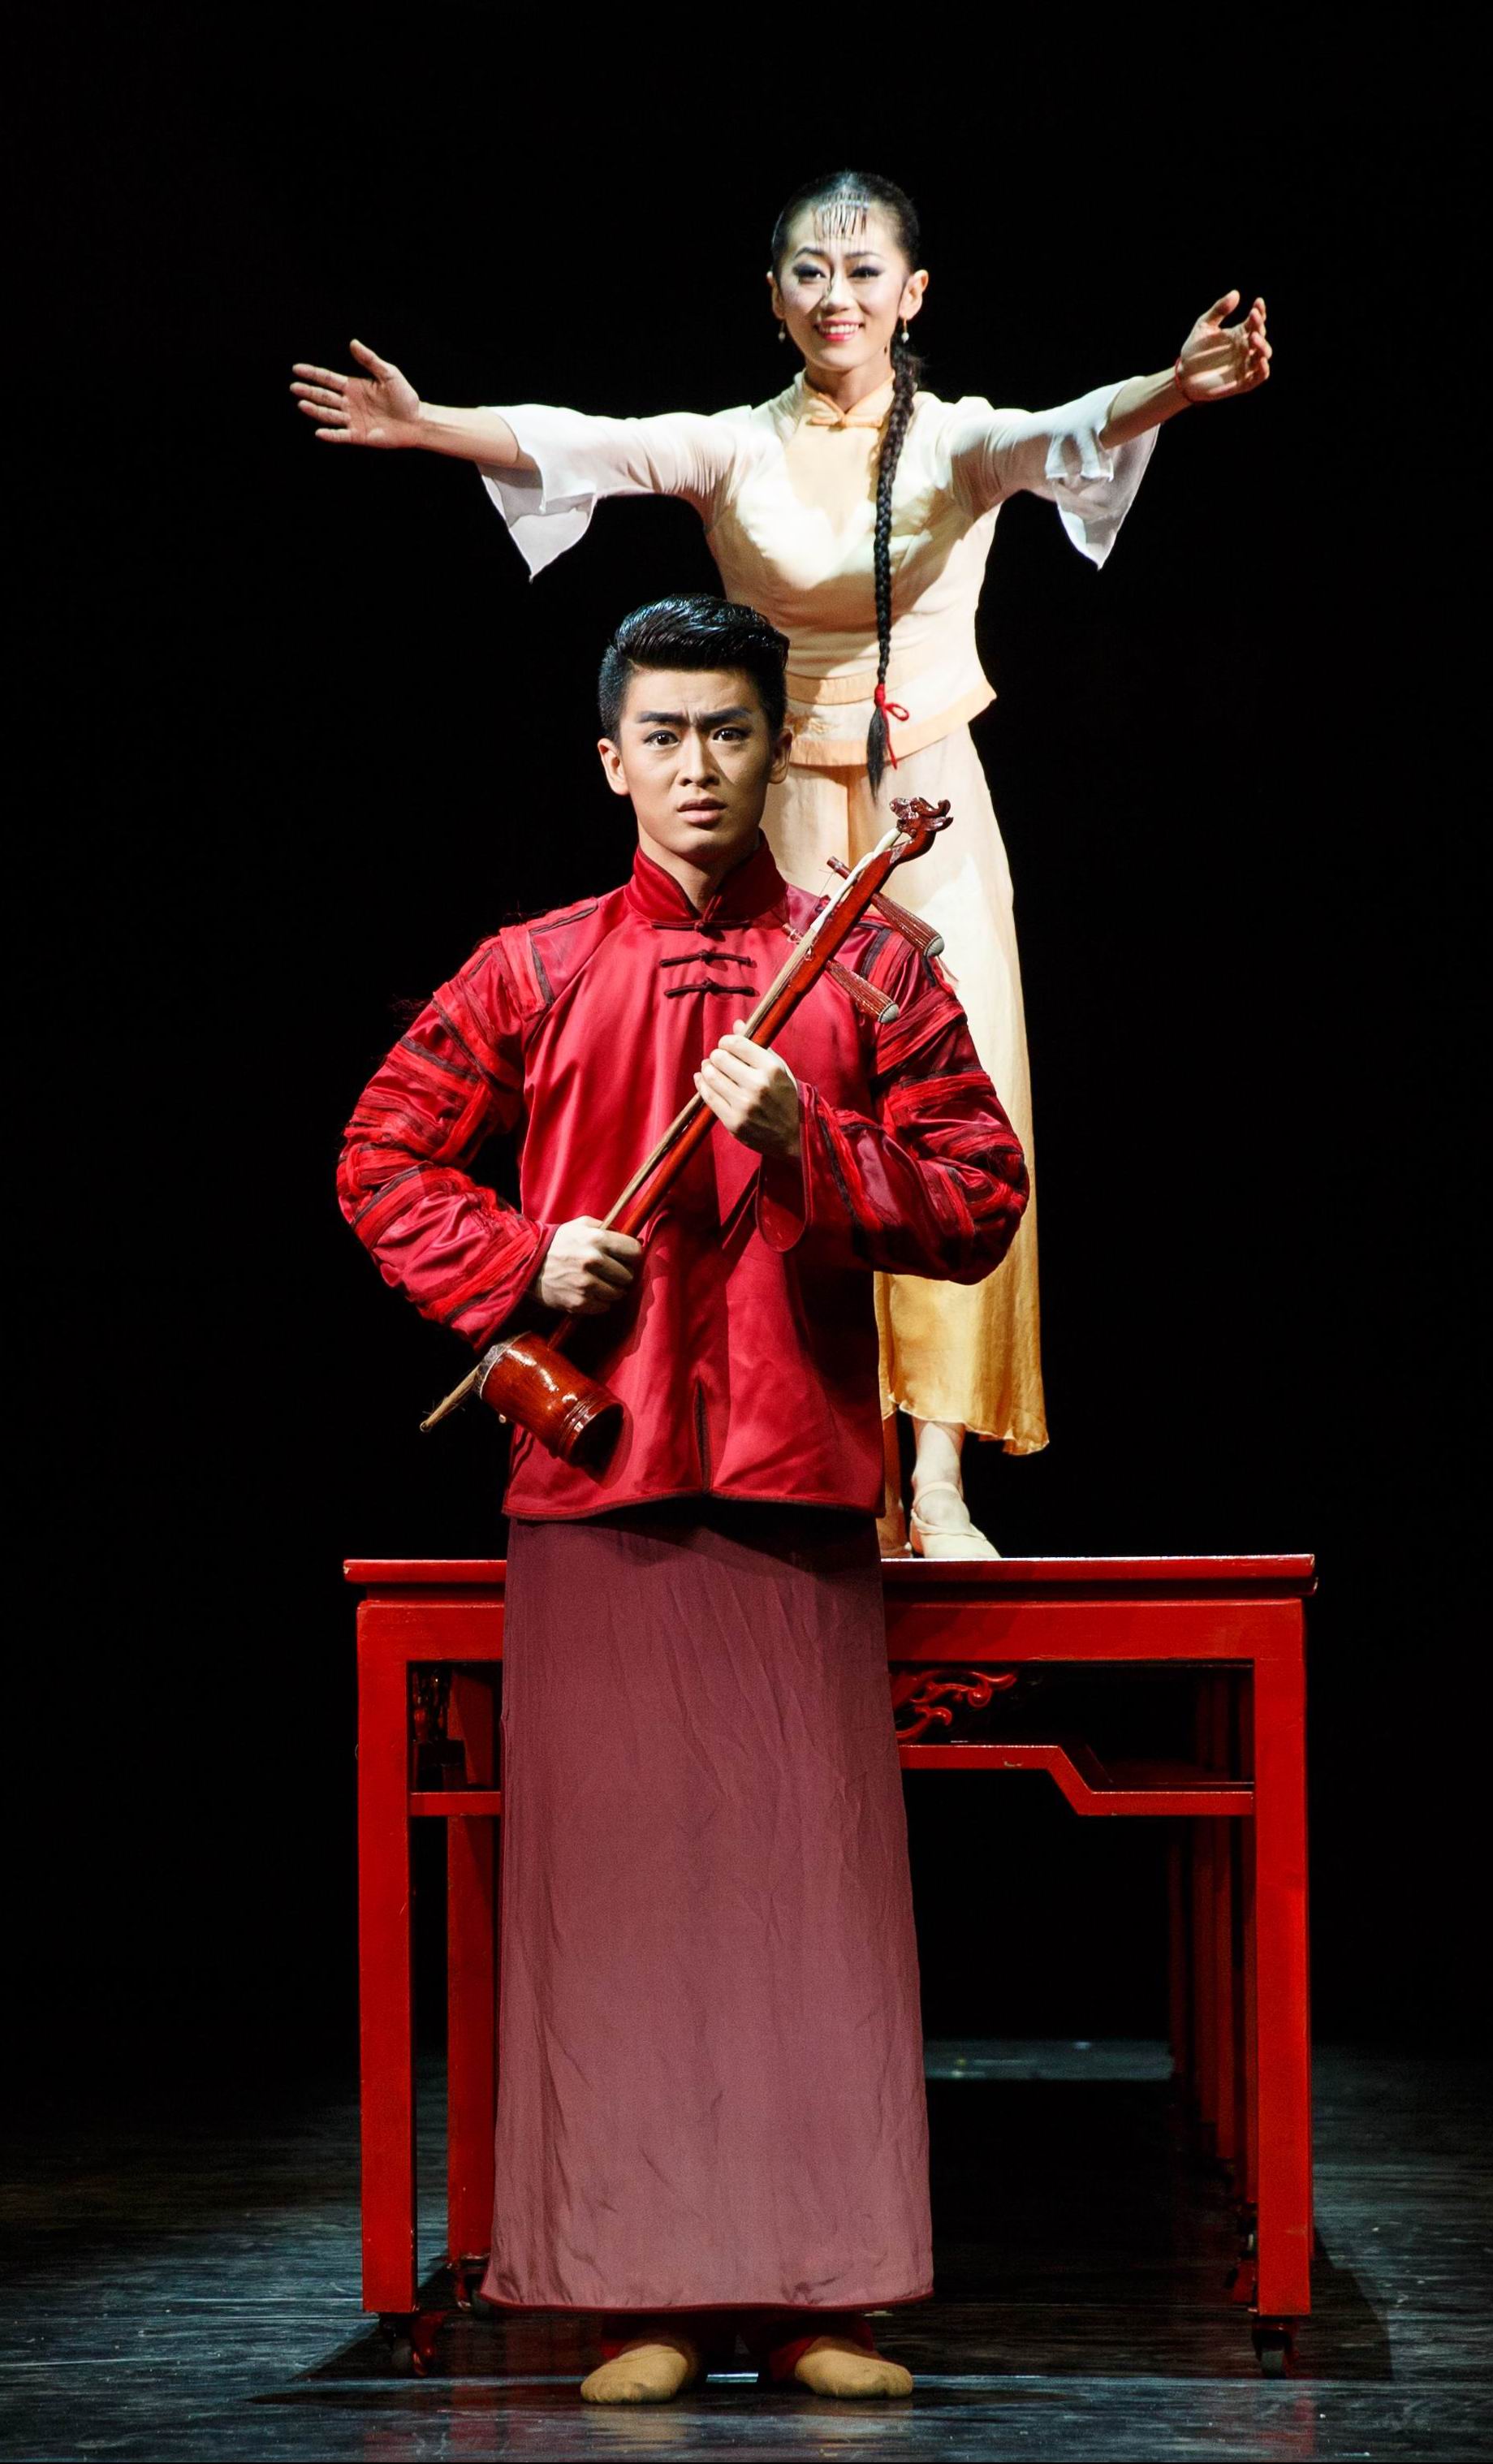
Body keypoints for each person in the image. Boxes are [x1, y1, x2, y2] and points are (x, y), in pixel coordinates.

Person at [300, 169, 1269, 1554]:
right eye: (809, 272)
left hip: (925, 798)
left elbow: (1067, 429)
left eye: (864, 271)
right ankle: (833, 1455)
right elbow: (590, 443)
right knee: (783, 1114)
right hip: (769, 797)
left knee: (952, 1108)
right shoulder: (737, 447)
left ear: (912, 293)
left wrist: (1171, 389)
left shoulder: (956, 438)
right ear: (772, 297)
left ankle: (939, 1474)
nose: (836, 296)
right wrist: (426, 426)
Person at [338, 594, 1028, 2401]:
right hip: (598, 1478)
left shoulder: (867, 965)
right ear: (611, 761)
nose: (697, 767)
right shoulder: (534, 967)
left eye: (727, 731)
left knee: (809, 1908)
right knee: (622, 1911)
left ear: (768, 747)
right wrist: (521, 1259)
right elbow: (381, 1156)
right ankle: (633, 2291)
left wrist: (818, 1148)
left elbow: (980, 1192)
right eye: (663, 736)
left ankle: (819, 2294)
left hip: (800, 1489)